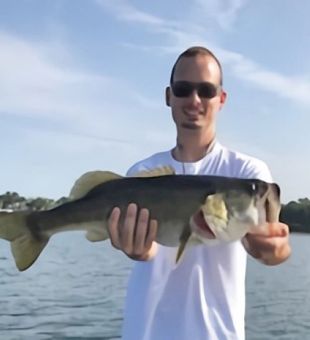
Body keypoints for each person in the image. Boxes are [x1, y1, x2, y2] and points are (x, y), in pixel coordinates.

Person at [107, 46, 291, 340]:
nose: (194, 100)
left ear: (221, 98)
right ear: (169, 96)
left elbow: (273, 247)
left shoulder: (248, 174)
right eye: (183, 89)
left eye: (206, 90)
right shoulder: (142, 172)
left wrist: (273, 249)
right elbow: (154, 252)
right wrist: (139, 250)